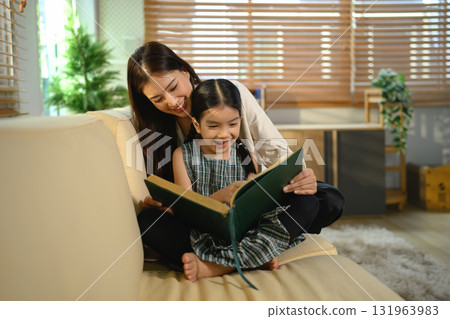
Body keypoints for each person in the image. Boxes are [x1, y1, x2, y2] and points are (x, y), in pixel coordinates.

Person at [127, 41, 344, 280]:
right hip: (203, 215)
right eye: (157, 99)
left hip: (253, 206)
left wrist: (300, 177)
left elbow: (275, 152)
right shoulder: (157, 130)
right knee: (150, 221)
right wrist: (159, 202)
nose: (171, 101)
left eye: (173, 86)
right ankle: (257, 254)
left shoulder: (230, 94)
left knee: (325, 199)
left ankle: (222, 263)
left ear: (185, 72)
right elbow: (180, 197)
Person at [173, 79, 308, 281]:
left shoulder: (246, 154)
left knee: (307, 203)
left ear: (241, 119)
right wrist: (221, 196)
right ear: (196, 124)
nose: (224, 134)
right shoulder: (182, 155)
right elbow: (186, 209)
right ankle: (256, 257)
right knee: (151, 224)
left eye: (233, 124)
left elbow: (258, 208)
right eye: (213, 126)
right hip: (206, 231)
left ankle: (218, 266)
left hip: (245, 231)